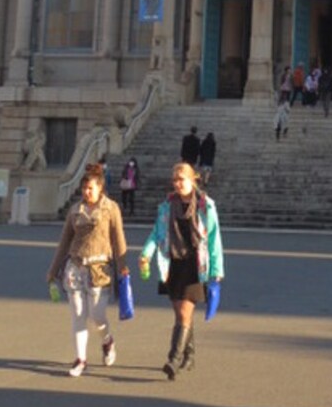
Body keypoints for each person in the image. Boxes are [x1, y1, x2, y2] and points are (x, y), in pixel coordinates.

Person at [139, 161, 225, 379]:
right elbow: (156, 234)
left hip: (196, 266)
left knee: (185, 312)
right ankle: (190, 354)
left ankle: (173, 360)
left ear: (193, 180)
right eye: (175, 180)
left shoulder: (206, 206)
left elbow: (214, 240)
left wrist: (217, 270)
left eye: (182, 179)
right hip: (173, 264)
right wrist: (146, 254)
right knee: (180, 313)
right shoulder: (167, 206)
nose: (177, 184)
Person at [46, 161, 128, 377]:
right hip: (75, 266)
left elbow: (118, 240)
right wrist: (53, 270)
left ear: (100, 188)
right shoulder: (75, 210)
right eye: (84, 188)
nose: (86, 192)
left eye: (90, 188)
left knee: (97, 315)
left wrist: (123, 266)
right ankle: (80, 359)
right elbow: (64, 241)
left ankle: (107, 340)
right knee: (78, 315)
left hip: (100, 269)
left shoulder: (111, 208)